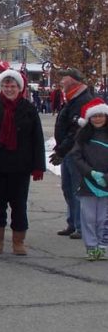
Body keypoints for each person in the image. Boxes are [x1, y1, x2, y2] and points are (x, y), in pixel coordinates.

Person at [0, 70, 45, 255]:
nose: (9, 89)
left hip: (20, 166)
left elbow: (37, 138)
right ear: (0, 87)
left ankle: (18, 241)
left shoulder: (28, 109)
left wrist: (38, 166)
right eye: (5, 86)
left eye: (13, 86)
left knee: (19, 205)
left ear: (19, 88)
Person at [50, 68, 94, 239]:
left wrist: (62, 150)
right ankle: (72, 222)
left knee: (76, 189)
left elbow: (76, 130)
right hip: (67, 151)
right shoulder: (72, 98)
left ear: (74, 80)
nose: (61, 81)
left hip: (75, 152)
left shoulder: (81, 99)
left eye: (64, 78)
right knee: (68, 188)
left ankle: (80, 226)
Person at [70, 98, 108, 260]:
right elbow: (76, 156)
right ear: (89, 118)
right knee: (88, 217)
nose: (98, 119)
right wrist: (90, 173)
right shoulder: (82, 135)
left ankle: (103, 245)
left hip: (106, 183)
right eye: (94, 116)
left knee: (104, 218)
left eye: (101, 115)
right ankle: (91, 246)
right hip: (88, 183)